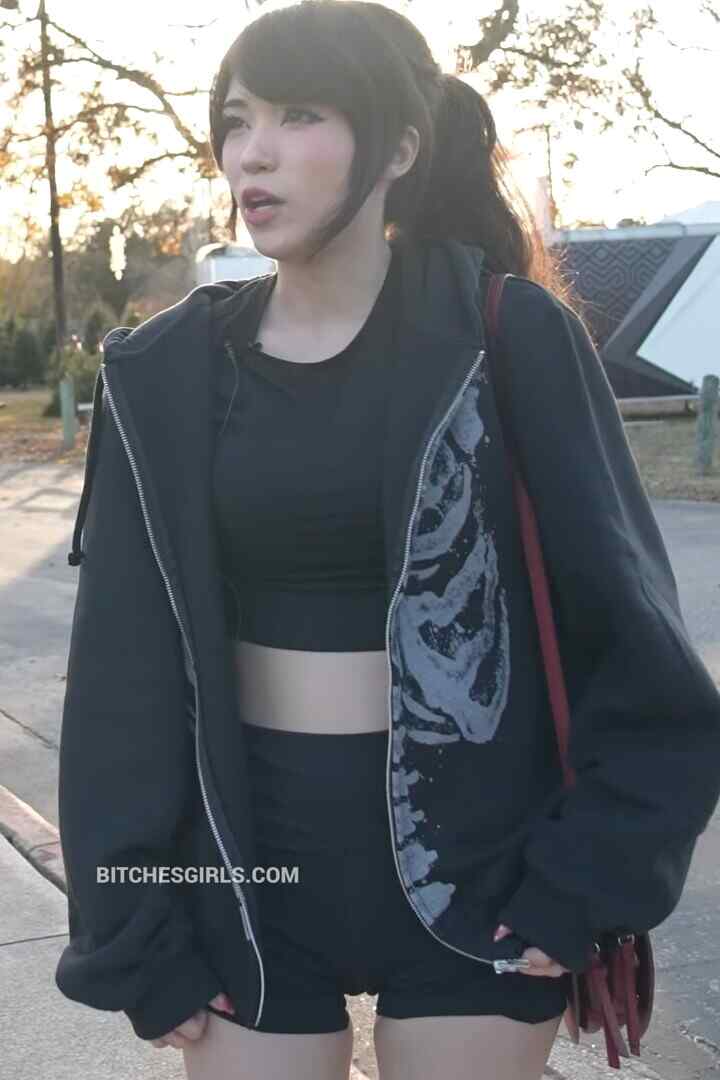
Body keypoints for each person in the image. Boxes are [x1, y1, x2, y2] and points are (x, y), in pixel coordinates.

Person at [54, 2, 720, 1079]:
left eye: (299, 115)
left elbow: (634, 640)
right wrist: (132, 928)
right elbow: (119, 679)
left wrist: (587, 879)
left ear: (399, 148)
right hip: (247, 880)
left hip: (487, 872)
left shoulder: (507, 336)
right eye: (236, 120)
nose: (252, 152)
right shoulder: (164, 372)